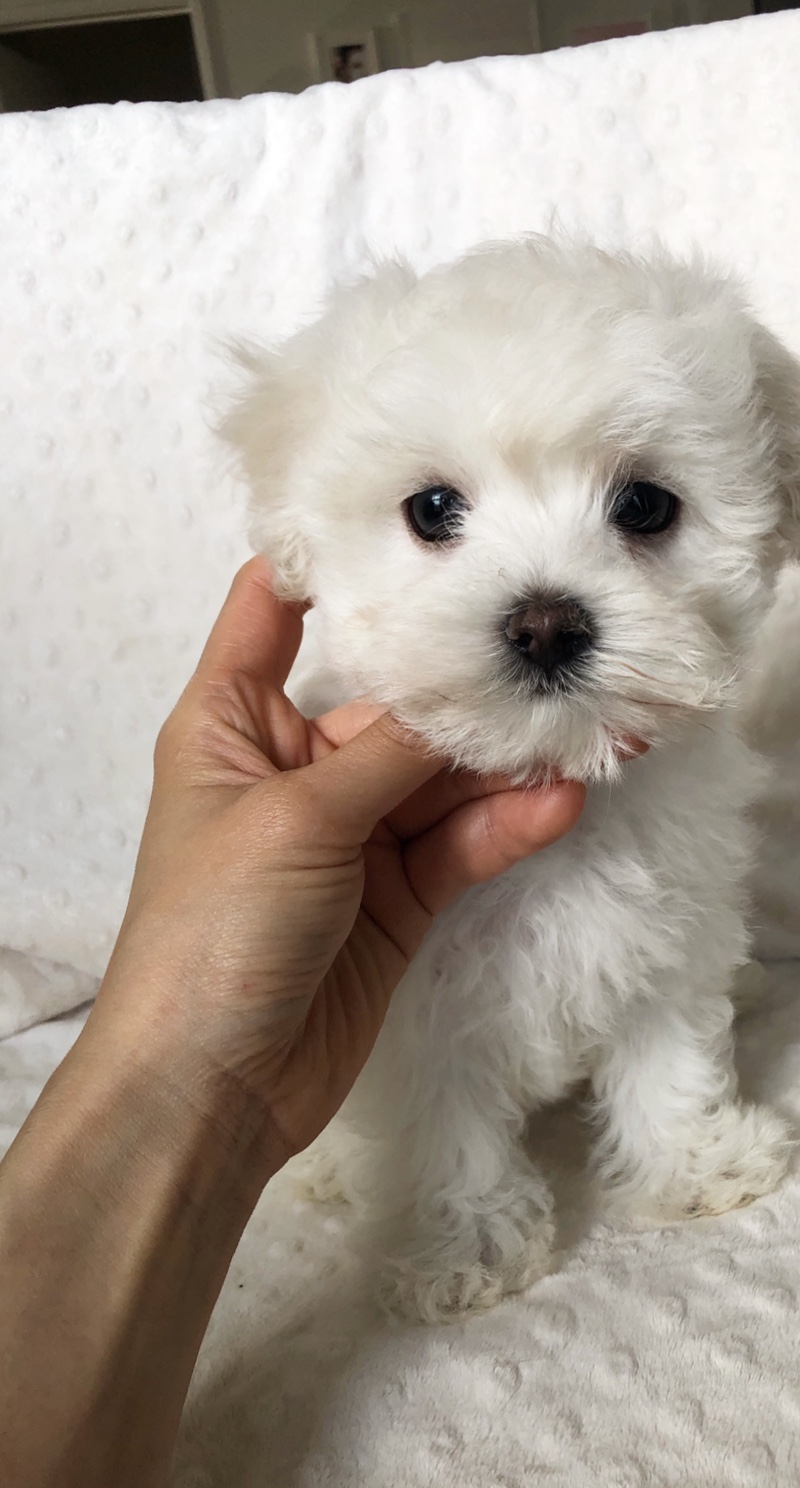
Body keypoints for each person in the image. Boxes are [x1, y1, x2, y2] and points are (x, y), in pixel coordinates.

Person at [0, 558, 588, 1487]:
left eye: (641, 510)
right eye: (437, 513)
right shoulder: (351, 809)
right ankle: (458, 1194)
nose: (541, 616)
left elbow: (686, 968)